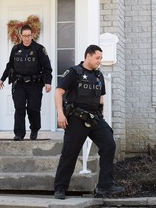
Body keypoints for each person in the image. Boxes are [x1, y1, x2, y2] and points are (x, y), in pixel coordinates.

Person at [53, 45, 124, 199]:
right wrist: (60, 114)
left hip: (95, 118)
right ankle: (60, 189)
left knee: (109, 144)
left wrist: (101, 116)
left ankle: (105, 186)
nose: (100, 61)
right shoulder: (74, 72)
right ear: (88, 56)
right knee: (69, 154)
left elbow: (101, 98)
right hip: (76, 119)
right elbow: (58, 92)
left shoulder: (99, 76)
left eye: (101, 58)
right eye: (98, 58)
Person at [0, 24, 52, 141]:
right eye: (24, 36)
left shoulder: (39, 49)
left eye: (29, 36)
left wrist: (48, 82)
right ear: (21, 36)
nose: (26, 38)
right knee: (19, 108)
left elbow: (47, 67)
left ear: (32, 36)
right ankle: (19, 134)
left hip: (35, 84)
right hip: (19, 84)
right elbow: (9, 65)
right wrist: (2, 79)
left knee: (33, 108)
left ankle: (34, 129)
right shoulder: (16, 49)